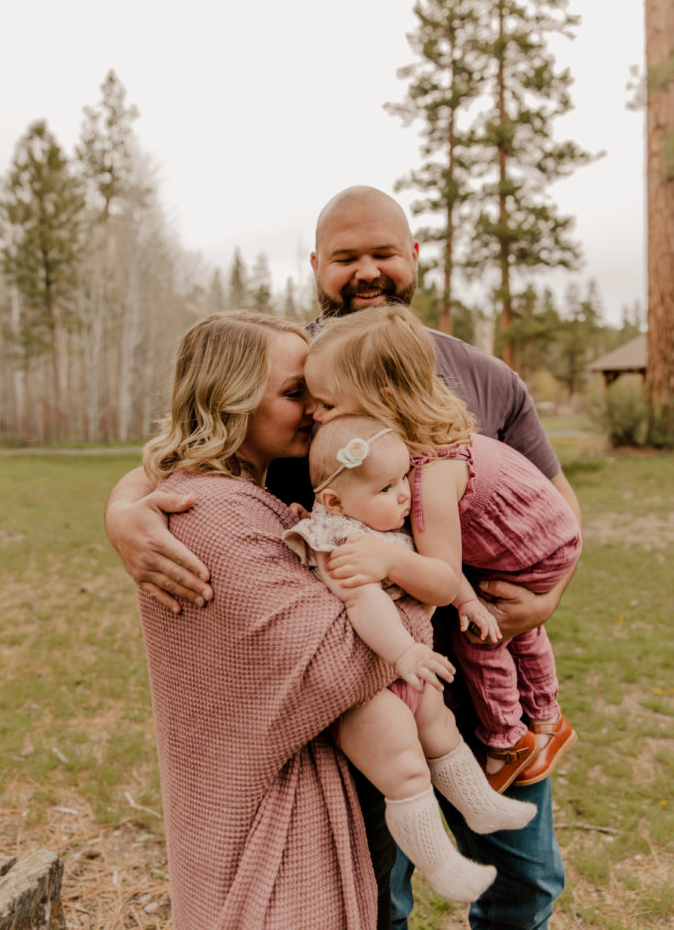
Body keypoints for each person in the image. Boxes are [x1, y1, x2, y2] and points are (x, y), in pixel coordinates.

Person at [105, 185, 581, 930]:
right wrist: (121, 513)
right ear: (316, 266)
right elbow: (184, 450)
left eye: (382, 254)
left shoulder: (483, 377)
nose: (365, 272)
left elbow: (556, 501)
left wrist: (545, 596)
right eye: (345, 258)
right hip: (358, 683)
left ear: (414, 257)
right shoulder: (292, 369)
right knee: (373, 890)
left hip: (486, 676)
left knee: (526, 883)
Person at [133, 309, 438, 930]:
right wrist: (420, 594)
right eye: (295, 393)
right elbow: (329, 667)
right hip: (263, 832)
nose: (317, 411)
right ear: (232, 402)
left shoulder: (240, 497)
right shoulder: (214, 513)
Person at [303, 307, 581, 797]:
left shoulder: (429, 475)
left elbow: (441, 580)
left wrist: (388, 560)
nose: (314, 414)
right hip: (545, 539)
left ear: (378, 400)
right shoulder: (432, 440)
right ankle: (547, 717)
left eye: (326, 403)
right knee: (507, 618)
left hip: (531, 552)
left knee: (479, 626)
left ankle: (507, 739)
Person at [283, 414, 537, 903]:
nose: (404, 494)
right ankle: (443, 868)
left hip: (403, 668)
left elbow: (434, 567)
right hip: (364, 690)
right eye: (385, 487)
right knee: (405, 767)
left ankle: (480, 805)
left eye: (403, 480)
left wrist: (466, 601)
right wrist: (404, 651)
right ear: (335, 500)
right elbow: (364, 601)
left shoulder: (385, 529)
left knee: (440, 728)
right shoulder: (338, 539)